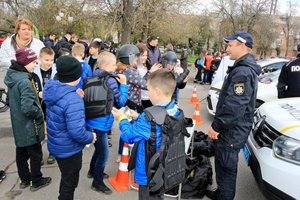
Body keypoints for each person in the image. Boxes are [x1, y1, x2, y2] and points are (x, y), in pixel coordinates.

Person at [206, 32, 261, 200]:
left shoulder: (243, 72)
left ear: (243, 46)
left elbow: (234, 106)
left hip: (231, 132)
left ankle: (225, 196)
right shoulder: (241, 68)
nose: (227, 49)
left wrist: (217, 126)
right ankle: (221, 193)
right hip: (231, 130)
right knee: (222, 166)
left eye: (230, 45)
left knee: (226, 168)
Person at [111, 68, 181, 200]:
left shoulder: (148, 117)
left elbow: (128, 135)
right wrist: (138, 117)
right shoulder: (175, 109)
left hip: (149, 172)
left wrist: (122, 118)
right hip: (166, 168)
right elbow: (159, 127)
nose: (147, 94)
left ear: (157, 92)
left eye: (148, 90)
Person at [43, 55, 97, 200]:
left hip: (56, 145)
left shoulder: (52, 88)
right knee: (69, 182)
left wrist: (75, 96)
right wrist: (91, 137)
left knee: (66, 177)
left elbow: (62, 110)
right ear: (76, 77)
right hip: (69, 150)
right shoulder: (72, 99)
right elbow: (77, 132)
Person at [4, 48, 52, 191]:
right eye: (33, 62)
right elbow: (28, 108)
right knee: (36, 154)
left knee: (21, 152)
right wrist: (39, 114)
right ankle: (36, 180)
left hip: (18, 124)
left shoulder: (13, 76)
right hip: (30, 126)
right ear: (24, 62)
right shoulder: (25, 81)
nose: (35, 64)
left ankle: (25, 179)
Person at [86, 51, 128, 194]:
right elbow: (120, 102)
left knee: (98, 148)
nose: (115, 67)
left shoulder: (91, 75)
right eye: (113, 64)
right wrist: (124, 85)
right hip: (102, 122)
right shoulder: (110, 80)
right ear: (105, 65)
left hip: (91, 119)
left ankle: (92, 171)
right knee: (104, 154)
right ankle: (97, 183)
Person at [33, 47, 57, 165]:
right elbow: (29, 89)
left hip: (52, 105)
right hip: (38, 105)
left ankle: (52, 152)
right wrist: (38, 93)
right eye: (46, 60)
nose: (49, 63)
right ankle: (38, 155)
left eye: (51, 60)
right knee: (38, 130)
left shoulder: (57, 71)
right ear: (40, 59)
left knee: (52, 129)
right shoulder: (33, 72)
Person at [137, 43, 153, 109]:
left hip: (149, 96)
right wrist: (150, 72)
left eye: (146, 55)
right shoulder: (134, 69)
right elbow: (140, 82)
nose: (145, 58)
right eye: (142, 55)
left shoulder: (146, 66)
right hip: (141, 98)